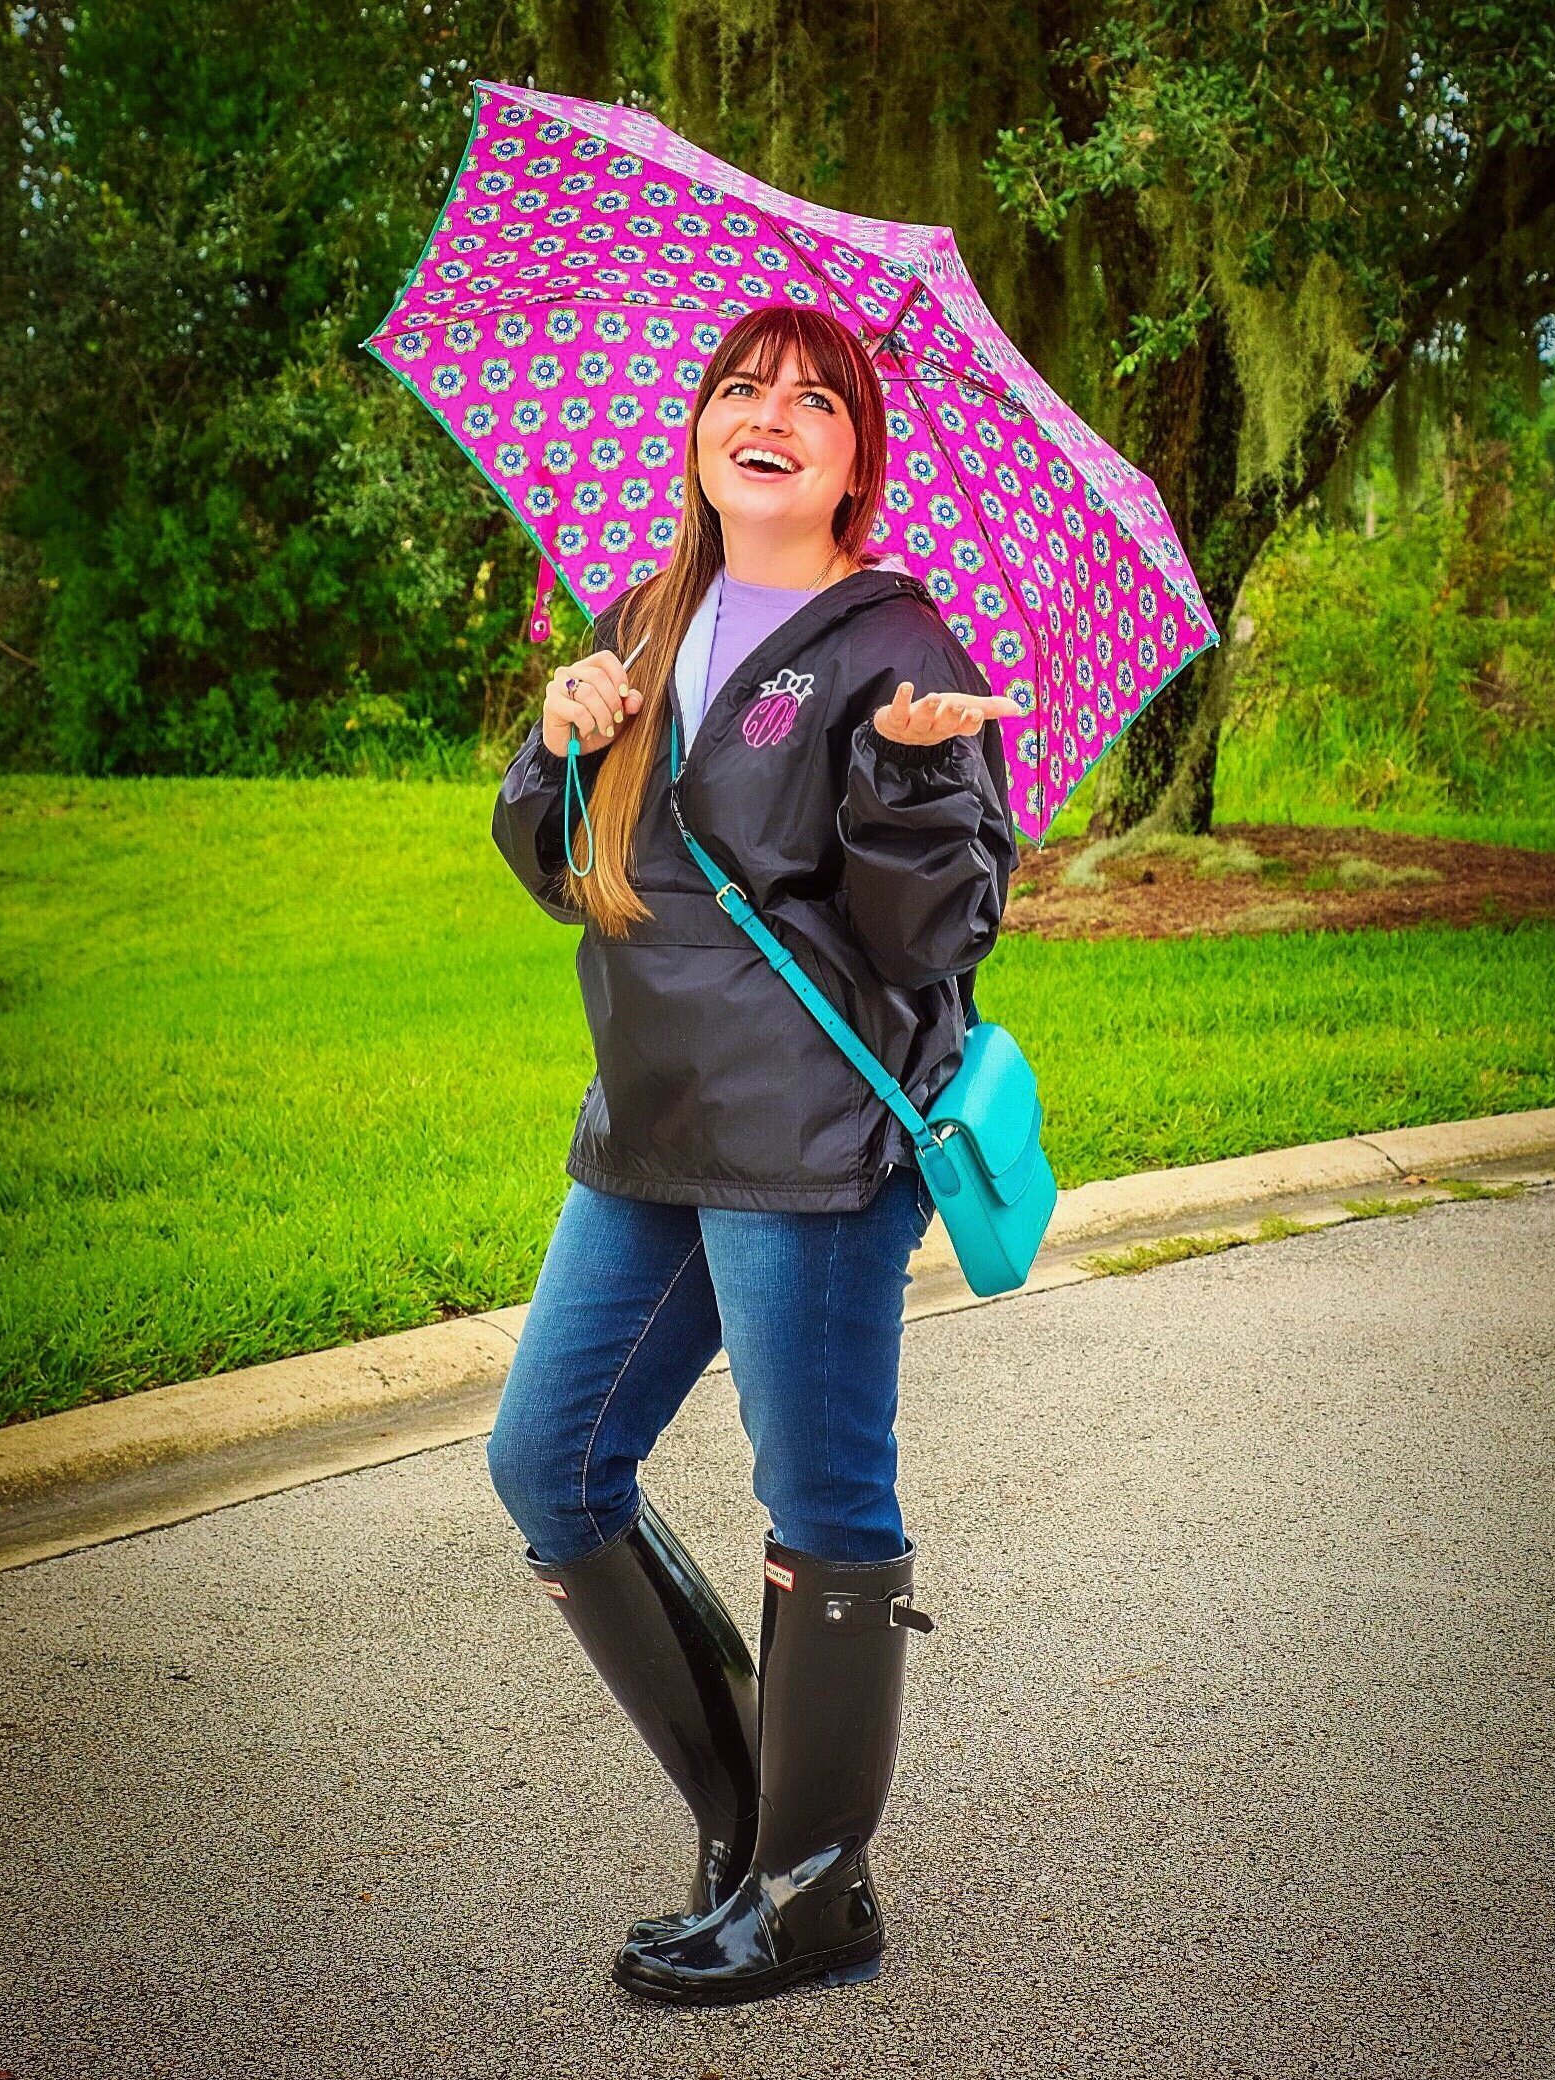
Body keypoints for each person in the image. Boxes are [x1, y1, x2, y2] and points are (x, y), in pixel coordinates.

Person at [485, 304, 1023, 2007]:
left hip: (804, 1134)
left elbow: (931, 936)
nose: (769, 412)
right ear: (700, 433)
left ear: (860, 460)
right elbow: (562, 866)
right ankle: (745, 1825)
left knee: (823, 1499)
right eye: (741, 387)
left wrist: (917, 779)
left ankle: (811, 1893)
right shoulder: (645, 624)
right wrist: (555, 743)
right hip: (645, 1125)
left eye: (815, 397)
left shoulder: (896, 645)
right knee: (549, 1465)